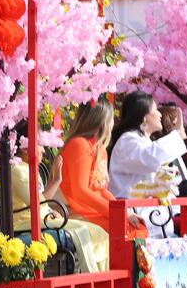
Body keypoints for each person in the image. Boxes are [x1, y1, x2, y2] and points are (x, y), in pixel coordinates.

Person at [58, 99, 144, 241]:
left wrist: (124, 212)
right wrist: (116, 214)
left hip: (92, 210)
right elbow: (80, 190)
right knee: (127, 230)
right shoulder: (79, 145)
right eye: (111, 119)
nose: (113, 123)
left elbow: (101, 190)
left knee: (136, 227)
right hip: (76, 210)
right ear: (103, 121)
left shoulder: (100, 149)